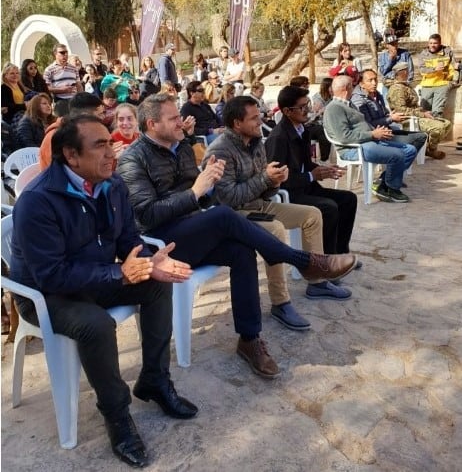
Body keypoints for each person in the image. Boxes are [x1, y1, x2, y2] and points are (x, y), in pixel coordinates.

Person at [117, 94, 358, 377]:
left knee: (241, 251)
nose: (180, 122)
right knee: (223, 214)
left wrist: (207, 189)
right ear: (152, 124)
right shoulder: (133, 159)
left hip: (195, 229)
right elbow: (147, 216)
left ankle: (249, 339)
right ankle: (304, 261)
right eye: (173, 118)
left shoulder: (180, 147)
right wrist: (196, 191)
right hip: (163, 246)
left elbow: (202, 198)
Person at [10, 115, 198, 467]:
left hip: (97, 276)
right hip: (45, 295)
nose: (112, 152)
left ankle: (155, 381)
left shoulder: (112, 185)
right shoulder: (37, 201)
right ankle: (117, 414)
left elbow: (128, 241)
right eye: (100, 145)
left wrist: (147, 262)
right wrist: (120, 274)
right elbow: (50, 275)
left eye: (110, 142)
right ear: (71, 155)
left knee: (157, 286)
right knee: (96, 325)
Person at [205, 95, 351, 317]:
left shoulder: (255, 143)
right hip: (236, 215)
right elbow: (229, 199)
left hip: (260, 205)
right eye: (254, 118)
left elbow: (266, 191)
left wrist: (275, 181)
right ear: (237, 123)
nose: (260, 120)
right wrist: (265, 179)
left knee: (313, 214)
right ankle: (280, 302)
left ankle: (317, 282)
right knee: (276, 230)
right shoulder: (221, 151)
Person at [266, 85, 358, 257]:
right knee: (328, 208)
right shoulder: (278, 138)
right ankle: (325, 260)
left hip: (307, 188)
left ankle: (340, 253)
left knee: (348, 199)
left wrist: (323, 170)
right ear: (287, 111)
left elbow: (306, 164)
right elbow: (277, 179)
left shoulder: (303, 131)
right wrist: (310, 176)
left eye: (307, 104)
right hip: (289, 193)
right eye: (302, 107)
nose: (307, 110)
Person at [323, 75, 417, 203]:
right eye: (353, 86)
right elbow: (344, 137)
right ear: (346, 88)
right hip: (353, 149)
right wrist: (373, 134)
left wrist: (380, 131)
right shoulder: (334, 108)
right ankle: (391, 189)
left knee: (410, 150)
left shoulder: (349, 104)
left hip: (368, 142)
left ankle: (384, 183)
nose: (355, 89)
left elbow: (361, 125)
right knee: (398, 154)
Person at [351, 69, 427, 154]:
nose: (374, 83)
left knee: (421, 136)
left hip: (387, 130)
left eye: (375, 79)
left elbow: (384, 114)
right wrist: (390, 119)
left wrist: (390, 116)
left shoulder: (376, 94)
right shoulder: (359, 101)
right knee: (417, 140)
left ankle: (401, 161)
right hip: (376, 137)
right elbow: (368, 125)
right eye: (370, 80)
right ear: (361, 84)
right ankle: (399, 161)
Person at [387, 63, 451, 160]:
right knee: (439, 128)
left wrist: (424, 112)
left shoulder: (406, 86)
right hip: (407, 120)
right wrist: (422, 114)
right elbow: (401, 110)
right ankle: (430, 150)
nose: (409, 73)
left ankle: (428, 148)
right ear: (403, 72)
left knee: (446, 123)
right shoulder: (397, 89)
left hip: (417, 117)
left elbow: (414, 106)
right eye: (407, 71)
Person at [39, 92, 104, 170]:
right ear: (84, 114)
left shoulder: (81, 130)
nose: (102, 118)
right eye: (99, 114)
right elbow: (63, 172)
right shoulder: (56, 136)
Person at [289, 75, 331, 163]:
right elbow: (304, 118)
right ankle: (324, 159)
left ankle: (325, 158)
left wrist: (314, 112)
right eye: (304, 86)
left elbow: (309, 114)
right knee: (321, 130)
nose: (307, 87)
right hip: (301, 127)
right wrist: (317, 113)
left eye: (307, 85)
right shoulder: (293, 101)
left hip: (309, 124)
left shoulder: (306, 99)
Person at [418, 33, 460, 117]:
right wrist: (434, 69)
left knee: (437, 112)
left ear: (440, 43)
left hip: (442, 83)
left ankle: (437, 128)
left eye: (435, 43)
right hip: (427, 84)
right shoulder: (424, 53)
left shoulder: (447, 52)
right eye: (430, 43)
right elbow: (422, 70)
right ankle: (424, 130)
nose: (432, 45)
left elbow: (454, 67)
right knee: (424, 110)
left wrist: (454, 81)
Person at [378, 29, 414, 97]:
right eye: (392, 44)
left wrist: (407, 84)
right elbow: (383, 72)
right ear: (387, 45)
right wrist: (391, 59)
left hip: (403, 85)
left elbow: (410, 71)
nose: (394, 46)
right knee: (388, 106)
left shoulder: (405, 54)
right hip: (388, 84)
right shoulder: (383, 56)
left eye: (395, 43)